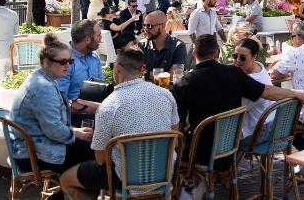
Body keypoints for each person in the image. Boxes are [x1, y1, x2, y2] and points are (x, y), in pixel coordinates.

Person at [173, 34, 304, 195]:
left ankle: (191, 188)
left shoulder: (183, 84)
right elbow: (267, 91)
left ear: (194, 53)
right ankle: (218, 178)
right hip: (230, 144)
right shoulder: (234, 73)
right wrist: (294, 92)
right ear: (216, 53)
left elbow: (178, 126)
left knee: (177, 144)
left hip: (202, 150)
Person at [59, 46, 179, 199]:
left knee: (65, 180)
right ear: (141, 69)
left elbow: (101, 159)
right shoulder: (166, 94)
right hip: (164, 173)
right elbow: (175, 139)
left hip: (126, 178)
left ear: (118, 68)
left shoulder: (109, 106)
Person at [10, 33, 94, 174]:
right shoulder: (43, 87)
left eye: (70, 61)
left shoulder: (42, 78)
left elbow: (51, 125)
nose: (67, 66)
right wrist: (76, 134)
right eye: (63, 62)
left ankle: (67, 190)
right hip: (35, 155)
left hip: (37, 146)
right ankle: (75, 190)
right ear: (46, 62)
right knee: (97, 156)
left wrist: (74, 131)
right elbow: (53, 130)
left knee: (93, 148)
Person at [55, 20, 104, 122]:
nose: (101, 38)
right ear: (87, 40)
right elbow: (59, 100)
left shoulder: (95, 58)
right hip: (72, 117)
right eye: (98, 35)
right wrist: (83, 108)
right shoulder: (64, 60)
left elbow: (101, 90)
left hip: (97, 113)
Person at [231, 37, 277, 141]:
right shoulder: (259, 67)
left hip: (259, 131)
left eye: (242, 58)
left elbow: (236, 109)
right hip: (270, 123)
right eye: (235, 56)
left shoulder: (253, 80)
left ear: (254, 57)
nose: (237, 61)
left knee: (222, 141)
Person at [138, 10, 190, 75]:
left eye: (149, 26)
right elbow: (136, 71)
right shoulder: (142, 45)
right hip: (144, 85)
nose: (145, 29)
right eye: (144, 25)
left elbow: (174, 75)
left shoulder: (178, 46)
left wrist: (146, 74)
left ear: (162, 26)